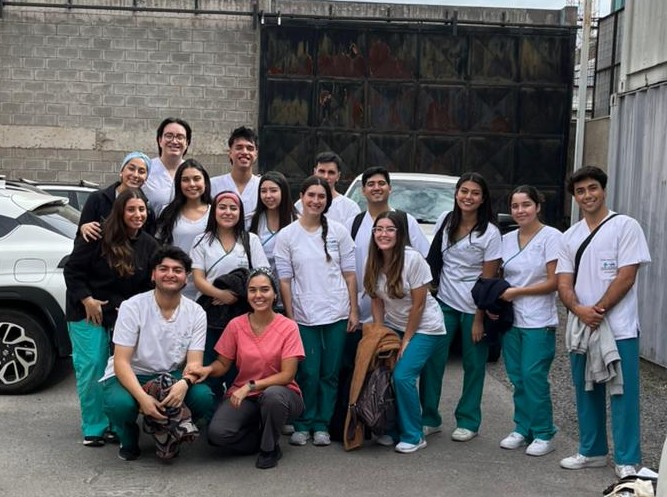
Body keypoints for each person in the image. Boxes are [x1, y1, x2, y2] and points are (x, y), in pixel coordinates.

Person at [556, 166, 650, 479]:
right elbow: (563, 281)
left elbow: (627, 276)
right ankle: (592, 451)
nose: (587, 195)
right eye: (580, 191)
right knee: (586, 391)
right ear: (575, 197)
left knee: (622, 394)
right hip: (582, 326)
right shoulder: (570, 236)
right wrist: (578, 310)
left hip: (619, 327)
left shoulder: (626, 226)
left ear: (603, 190)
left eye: (592, 188)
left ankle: (627, 460)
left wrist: (596, 310)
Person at [64, 188, 160, 448]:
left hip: (122, 316)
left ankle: (116, 425)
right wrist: (87, 300)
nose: (137, 214)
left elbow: (147, 286)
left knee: (119, 368)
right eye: (131, 209)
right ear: (120, 211)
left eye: (141, 209)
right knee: (93, 365)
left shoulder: (150, 245)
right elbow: (72, 271)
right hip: (87, 311)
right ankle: (95, 426)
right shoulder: (97, 236)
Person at [101, 246, 216, 461]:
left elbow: (194, 363)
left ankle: (168, 429)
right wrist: (143, 398)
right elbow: (121, 362)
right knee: (120, 405)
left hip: (172, 375)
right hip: (133, 373)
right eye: (163, 269)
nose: (170, 274)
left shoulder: (196, 312)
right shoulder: (132, 307)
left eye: (177, 270)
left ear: (186, 278)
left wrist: (184, 383)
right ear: (153, 274)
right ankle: (128, 434)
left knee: (203, 398)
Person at [190, 267, 305, 469]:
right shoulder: (236, 325)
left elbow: (287, 375)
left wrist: (251, 385)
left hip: (282, 394)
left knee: (272, 397)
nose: (258, 295)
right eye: (252, 290)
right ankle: (259, 436)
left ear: (275, 294)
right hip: (246, 395)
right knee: (217, 434)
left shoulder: (288, 326)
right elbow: (223, 364)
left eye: (264, 289)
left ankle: (269, 448)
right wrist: (208, 370)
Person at [274, 176, 359, 447]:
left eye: (321, 196)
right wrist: (290, 316)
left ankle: (322, 424)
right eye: (311, 195)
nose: (316, 201)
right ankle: (303, 422)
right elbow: (284, 280)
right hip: (303, 313)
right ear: (301, 197)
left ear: (327, 200)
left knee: (330, 372)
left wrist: (354, 311)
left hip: (336, 310)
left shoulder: (339, 232)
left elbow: (350, 274)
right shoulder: (287, 235)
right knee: (307, 372)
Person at [425, 172, 502, 441]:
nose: (468, 197)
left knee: (474, 365)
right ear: (457, 193)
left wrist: (479, 319)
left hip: (474, 307)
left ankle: (468, 420)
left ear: (483, 199)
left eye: (475, 193)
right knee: (433, 361)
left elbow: (488, 280)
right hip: (444, 302)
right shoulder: (445, 221)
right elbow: (435, 261)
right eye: (464, 191)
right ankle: (429, 418)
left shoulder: (490, 233)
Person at [364, 211, 447, 454]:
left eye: (390, 229)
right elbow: (376, 300)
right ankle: (392, 429)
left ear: (400, 234)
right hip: (395, 324)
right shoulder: (373, 259)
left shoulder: (413, 259)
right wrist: (379, 334)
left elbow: (419, 305)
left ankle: (414, 434)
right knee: (386, 373)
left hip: (426, 326)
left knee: (402, 376)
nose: (384, 234)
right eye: (379, 229)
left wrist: (407, 340)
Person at [497, 185, 562, 457]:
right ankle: (522, 428)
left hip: (539, 319)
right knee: (517, 376)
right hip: (512, 319)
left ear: (538, 206)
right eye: (515, 206)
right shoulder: (506, 239)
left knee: (533, 376)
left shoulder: (552, 237)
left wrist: (517, 292)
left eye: (526, 205)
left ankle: (544, 432)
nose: (520, 210)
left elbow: (554, 282)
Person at [190, 190, 269, 389]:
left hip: (242, 312)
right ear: (214, 211)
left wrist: (237, 295)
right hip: (210, 312)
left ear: (240, 213)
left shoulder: (250, 240)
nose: (228, 212)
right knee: (211, 363)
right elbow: (198, 279)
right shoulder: (201, 240)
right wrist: (221, 295)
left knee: (240, 366)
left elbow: (262, 273)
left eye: (233, 208)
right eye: (222, 207)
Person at [346, 166, 430, 325]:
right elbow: (346, 267)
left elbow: (424, 260)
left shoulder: (406, 221)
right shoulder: (353, 224)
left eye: (381, 183)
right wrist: (353, 309)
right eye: (371, 184)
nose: (376, 188)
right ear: (363, 191)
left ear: (390, 188)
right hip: (362, 312)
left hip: (400, 314)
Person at [155, 159, 212, 300]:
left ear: (205, 182)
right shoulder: (168, 212)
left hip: (208, 287)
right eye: (185, 180)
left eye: (196, 179)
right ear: (178, 184)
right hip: (174, 285)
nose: (192, 184)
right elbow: (160, 249)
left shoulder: (216, 213)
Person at [248, 171, 299, 307]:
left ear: (284, 192)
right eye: (263, 191)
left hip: (293, 294)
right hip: (260, 294)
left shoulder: (297, 222)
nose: (268, 195)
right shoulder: (251, 221)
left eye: (273, 190)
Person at [78, 152, 154, 241]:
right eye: (131, 169)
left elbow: (149, 243)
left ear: (146, 178)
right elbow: (81, 236)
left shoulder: (147, 209)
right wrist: (83, 228)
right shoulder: (97, 199)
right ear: (121, 171)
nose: (135, 175)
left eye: (141, 172)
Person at [210, 126, 260, 229]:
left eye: (250, 148)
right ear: (230, 153)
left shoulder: (263, 186)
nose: (245, 152)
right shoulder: (213, 185)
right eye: (239, 147)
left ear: (256, 154)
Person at [294, 151, 361, 225]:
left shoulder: (350, 208)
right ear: (315, 172)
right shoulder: (301, 204)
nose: (326, 176)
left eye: (331, 172)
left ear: (338, 176)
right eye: (322, 171)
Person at [142, 117, 192, 214]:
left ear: (187, 143)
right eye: (169, 136)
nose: (174, 141)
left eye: (180, 137)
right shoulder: (146, 169)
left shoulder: (193, 171)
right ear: (160, 140)